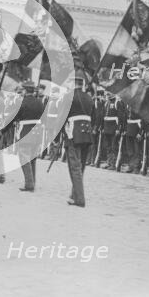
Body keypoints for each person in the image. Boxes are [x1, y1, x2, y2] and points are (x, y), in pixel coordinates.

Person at [64, 76, 94, 207]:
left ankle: (80, 199)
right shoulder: (89, 98)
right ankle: (74, 195)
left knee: (74, 167)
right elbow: (94, 115)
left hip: (73, 134)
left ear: (73, 83)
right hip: (87, 133)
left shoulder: (69, 96)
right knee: (81, 166)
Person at [12, 80, 44, 192]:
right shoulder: (40, 102)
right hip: (37, 133)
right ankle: (32, 182)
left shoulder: (22, 102)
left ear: (25, 90)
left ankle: (29, 184)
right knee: (33, 159)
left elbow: (15, 116)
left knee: (24, 158)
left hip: (25, 132)